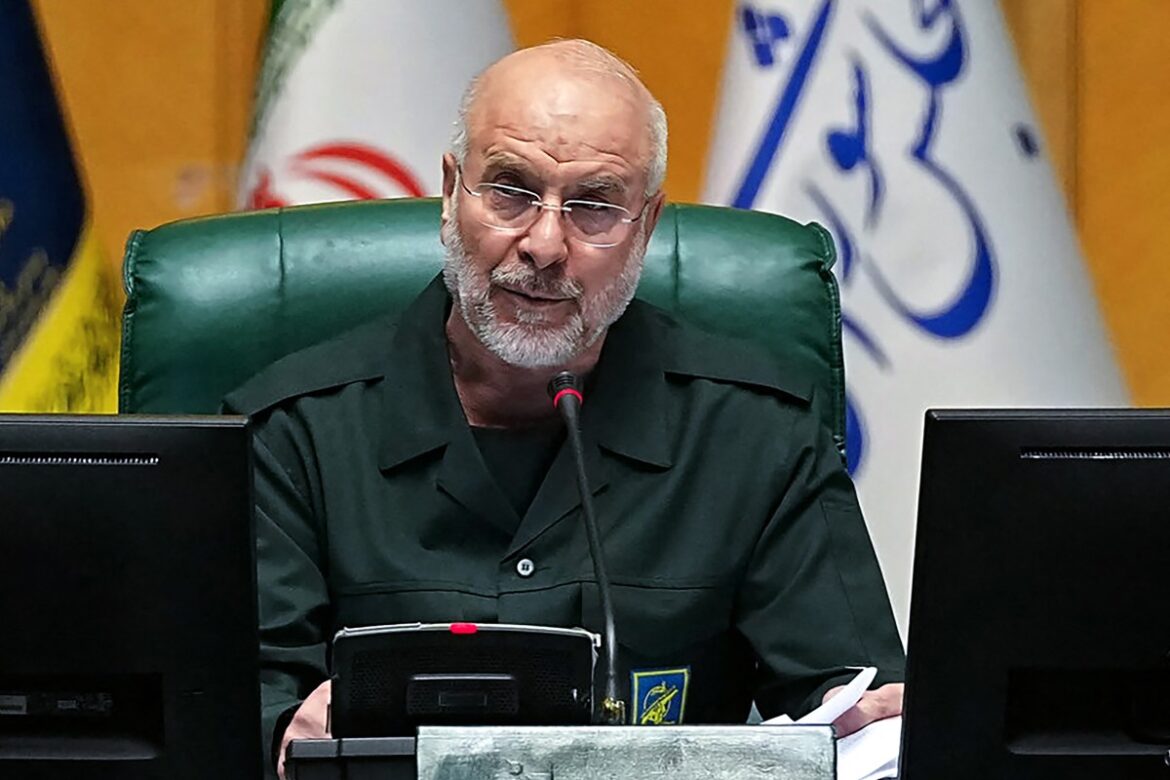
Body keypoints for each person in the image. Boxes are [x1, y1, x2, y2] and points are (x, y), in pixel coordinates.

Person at [224, 39, 905, 779]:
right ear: (452, 194)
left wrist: (863, 732)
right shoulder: (289, 432)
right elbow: (227, 703)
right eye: (511, 190)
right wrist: (284, 731)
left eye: (593, 207)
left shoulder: (757, 430)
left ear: (644, 227)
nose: (545, 245)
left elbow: (854, 702)